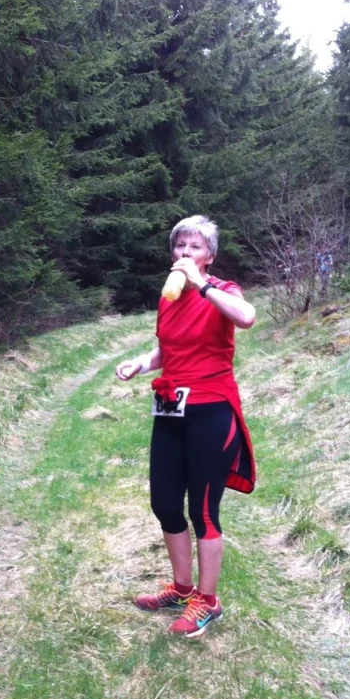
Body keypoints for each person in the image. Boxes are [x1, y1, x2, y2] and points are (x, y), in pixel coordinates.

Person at [115, 215, 256, 638]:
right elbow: (167, 347)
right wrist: (141, 363)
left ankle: (208, 602)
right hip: (170, 410)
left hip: (212, 410)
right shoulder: (168, 297)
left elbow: (246, 318)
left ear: (209, 256)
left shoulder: (223, 291)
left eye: (194, 248)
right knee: (164, 504)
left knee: (204, 512)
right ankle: (181, 590)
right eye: (179, 247)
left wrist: (203, 285)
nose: (184, 254)